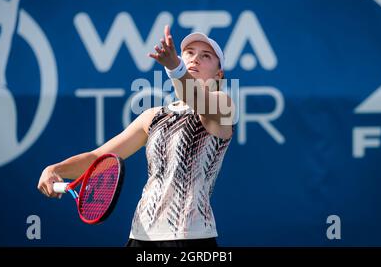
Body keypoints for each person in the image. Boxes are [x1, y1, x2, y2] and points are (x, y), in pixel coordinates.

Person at [37, 25, 235, 247]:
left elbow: (197, 98)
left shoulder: (224, 104)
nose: (195, 59)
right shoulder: (152, 117)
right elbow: (98, 160)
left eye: (205, 56)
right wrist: (55, 169)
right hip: (141, 236)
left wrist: (175, 67)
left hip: (192, 238)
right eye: (189, 53)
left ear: (219, 74)